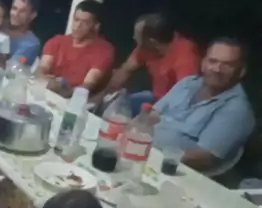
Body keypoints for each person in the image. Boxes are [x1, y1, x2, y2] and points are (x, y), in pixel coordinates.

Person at [153, 37, 254, 176]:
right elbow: (152, 114)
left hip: (175, 172)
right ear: (203, 63)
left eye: (227, 65)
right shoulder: (187, 83)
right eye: (213, 61)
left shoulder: (236, 110)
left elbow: (205, 158)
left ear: (241, 71)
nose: (217, 69)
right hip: (147, 153)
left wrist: (157, 154)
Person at [100, 13, 200, 115]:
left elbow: (185, 97)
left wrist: (153, 114)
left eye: (137, 36)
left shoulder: (185, 58)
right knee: (118, 103)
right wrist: (102, 96)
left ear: (153, 42)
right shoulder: (147, 48)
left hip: (174, 109)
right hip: (155, 98)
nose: (134, 37)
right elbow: (125, 70)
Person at [38, 0, 115, 97]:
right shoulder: (57, 41)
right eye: (76, 20)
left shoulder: (103, 51)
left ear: (96, 26)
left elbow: (87, 86)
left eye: (85, 22)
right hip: (44, 93)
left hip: (76, 100)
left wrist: (59, 89)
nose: (78, 26)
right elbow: (42, 68)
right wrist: (42, 77)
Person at [7, 0, 42, 66]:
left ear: (32, 15)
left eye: (22, 11)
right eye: (14, 8)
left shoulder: (32, 43)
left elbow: (13, 66)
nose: (16, 14)